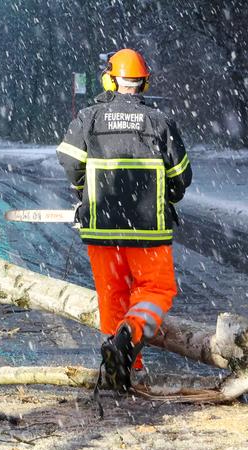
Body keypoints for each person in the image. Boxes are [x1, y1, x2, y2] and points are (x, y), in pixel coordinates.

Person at [56, 48, 192, 393]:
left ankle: (122, 368)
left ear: (109, 79)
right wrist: (167, 197)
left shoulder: (89, 118)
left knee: (112, 295)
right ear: (143, 83)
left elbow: (70, 162)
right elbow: (181, 176)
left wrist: (82, 190)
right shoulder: (160, 122)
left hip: (102, 230)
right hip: (149, 231)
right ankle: (130, 337)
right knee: (155, 290)